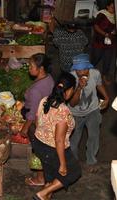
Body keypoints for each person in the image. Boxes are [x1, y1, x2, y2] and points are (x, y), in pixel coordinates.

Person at [32, 72, 81, 200]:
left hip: (38, 144)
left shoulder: (45, 100)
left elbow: (37, 121)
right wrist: (63, 164)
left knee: (50, 178)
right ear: (70, 90)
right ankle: (43, 193)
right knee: (74, 171)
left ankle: (45, 194)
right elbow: (59, 140)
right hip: (53, 149)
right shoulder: (63, 112)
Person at [69, 53, 109, 173]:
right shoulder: (70, 79)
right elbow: (72, 103)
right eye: (78, 70)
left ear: (89, 67)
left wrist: (106, 97)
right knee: (74, 140)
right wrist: (79, 88)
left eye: (84, 69)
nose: (81, 73)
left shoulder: (95, 73)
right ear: (74, 69)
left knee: (93, 137)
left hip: (93, 110)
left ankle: (91, 161)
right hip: (75, 114)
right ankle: (74, 162)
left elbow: (99, 84)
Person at [19, 53, 55, 186]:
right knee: (45, 148)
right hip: (46, 119)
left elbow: (32, 113)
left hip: (37, 122)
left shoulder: (36, 90)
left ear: (41, 69)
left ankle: (40, 178)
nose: (29, 68)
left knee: (39, 150)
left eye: (31, 66)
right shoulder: (48, 78)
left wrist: (25, 127)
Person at [90, 0, 116, 84]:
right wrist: (105, 34)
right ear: (107, 7)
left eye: (115, 7)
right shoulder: (102, 14)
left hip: (110, 42)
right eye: (112, 7)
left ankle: (104, 76)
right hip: (99, 41)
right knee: (96, 58)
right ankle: (87, 73)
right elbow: (96, 26)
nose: (114, 9)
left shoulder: (115, 16)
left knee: (108, 60)